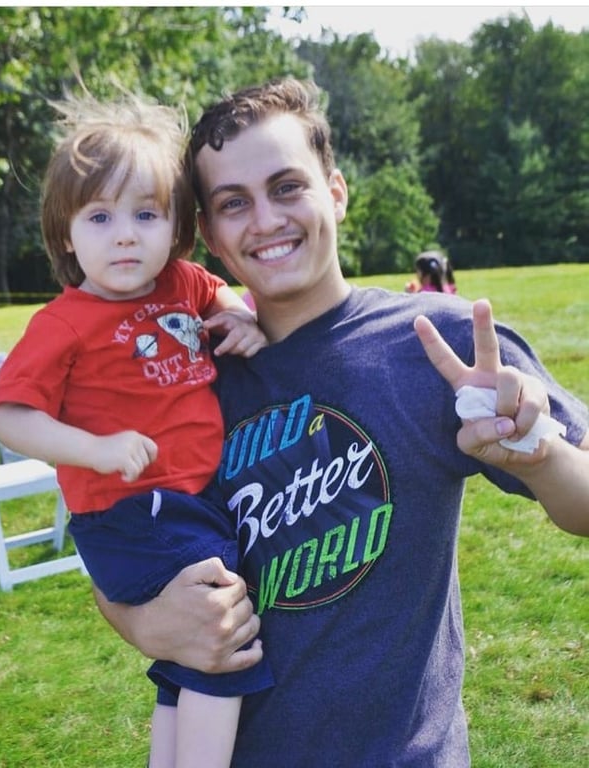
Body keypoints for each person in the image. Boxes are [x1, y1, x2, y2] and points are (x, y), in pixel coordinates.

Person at [96, 78, 589, 767]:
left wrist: (537, 452)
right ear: (208, 233)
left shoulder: (439, 346)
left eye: (287, 187)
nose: (265, 220)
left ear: (336, 191)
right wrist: (147, 623)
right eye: (234, 203)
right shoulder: (184, 373)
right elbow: (110, 541)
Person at [0, 91, 273, 768]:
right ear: (66, 234)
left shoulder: (182, 283)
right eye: (100, 215)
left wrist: (241, 316)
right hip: (131, 509)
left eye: (146, 214)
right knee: (221, 631)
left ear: (176, 227)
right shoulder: (64, 323)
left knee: (185, 655)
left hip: (187, 501)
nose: (125, 233)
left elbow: (219, 295)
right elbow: (10, 418)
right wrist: (95, 449)